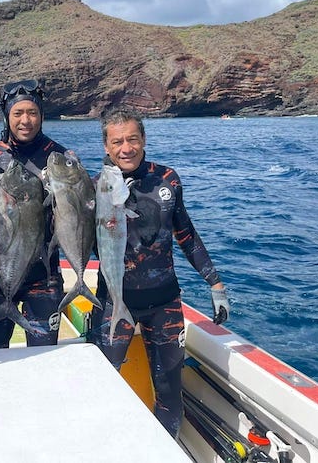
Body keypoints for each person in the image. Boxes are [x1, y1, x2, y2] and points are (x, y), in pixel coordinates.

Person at [87, 107, 231, 438]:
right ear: (106, 147)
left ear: (144, 139)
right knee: (100, 384)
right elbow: (78, 239)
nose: (126, 148)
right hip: (113, 303)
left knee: (169, 392)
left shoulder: (167, 179)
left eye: (133, 139)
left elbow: (186, 234)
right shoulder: (95, 188)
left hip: (165, 304)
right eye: (117, 142)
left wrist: (215, 283)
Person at [0, 79, 68, 347]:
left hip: (45, 277)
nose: (25, 120)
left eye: (33, 113)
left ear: (42, 115)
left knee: (44, 356)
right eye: (18, 113)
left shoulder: (60, 159)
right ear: (7, 115)